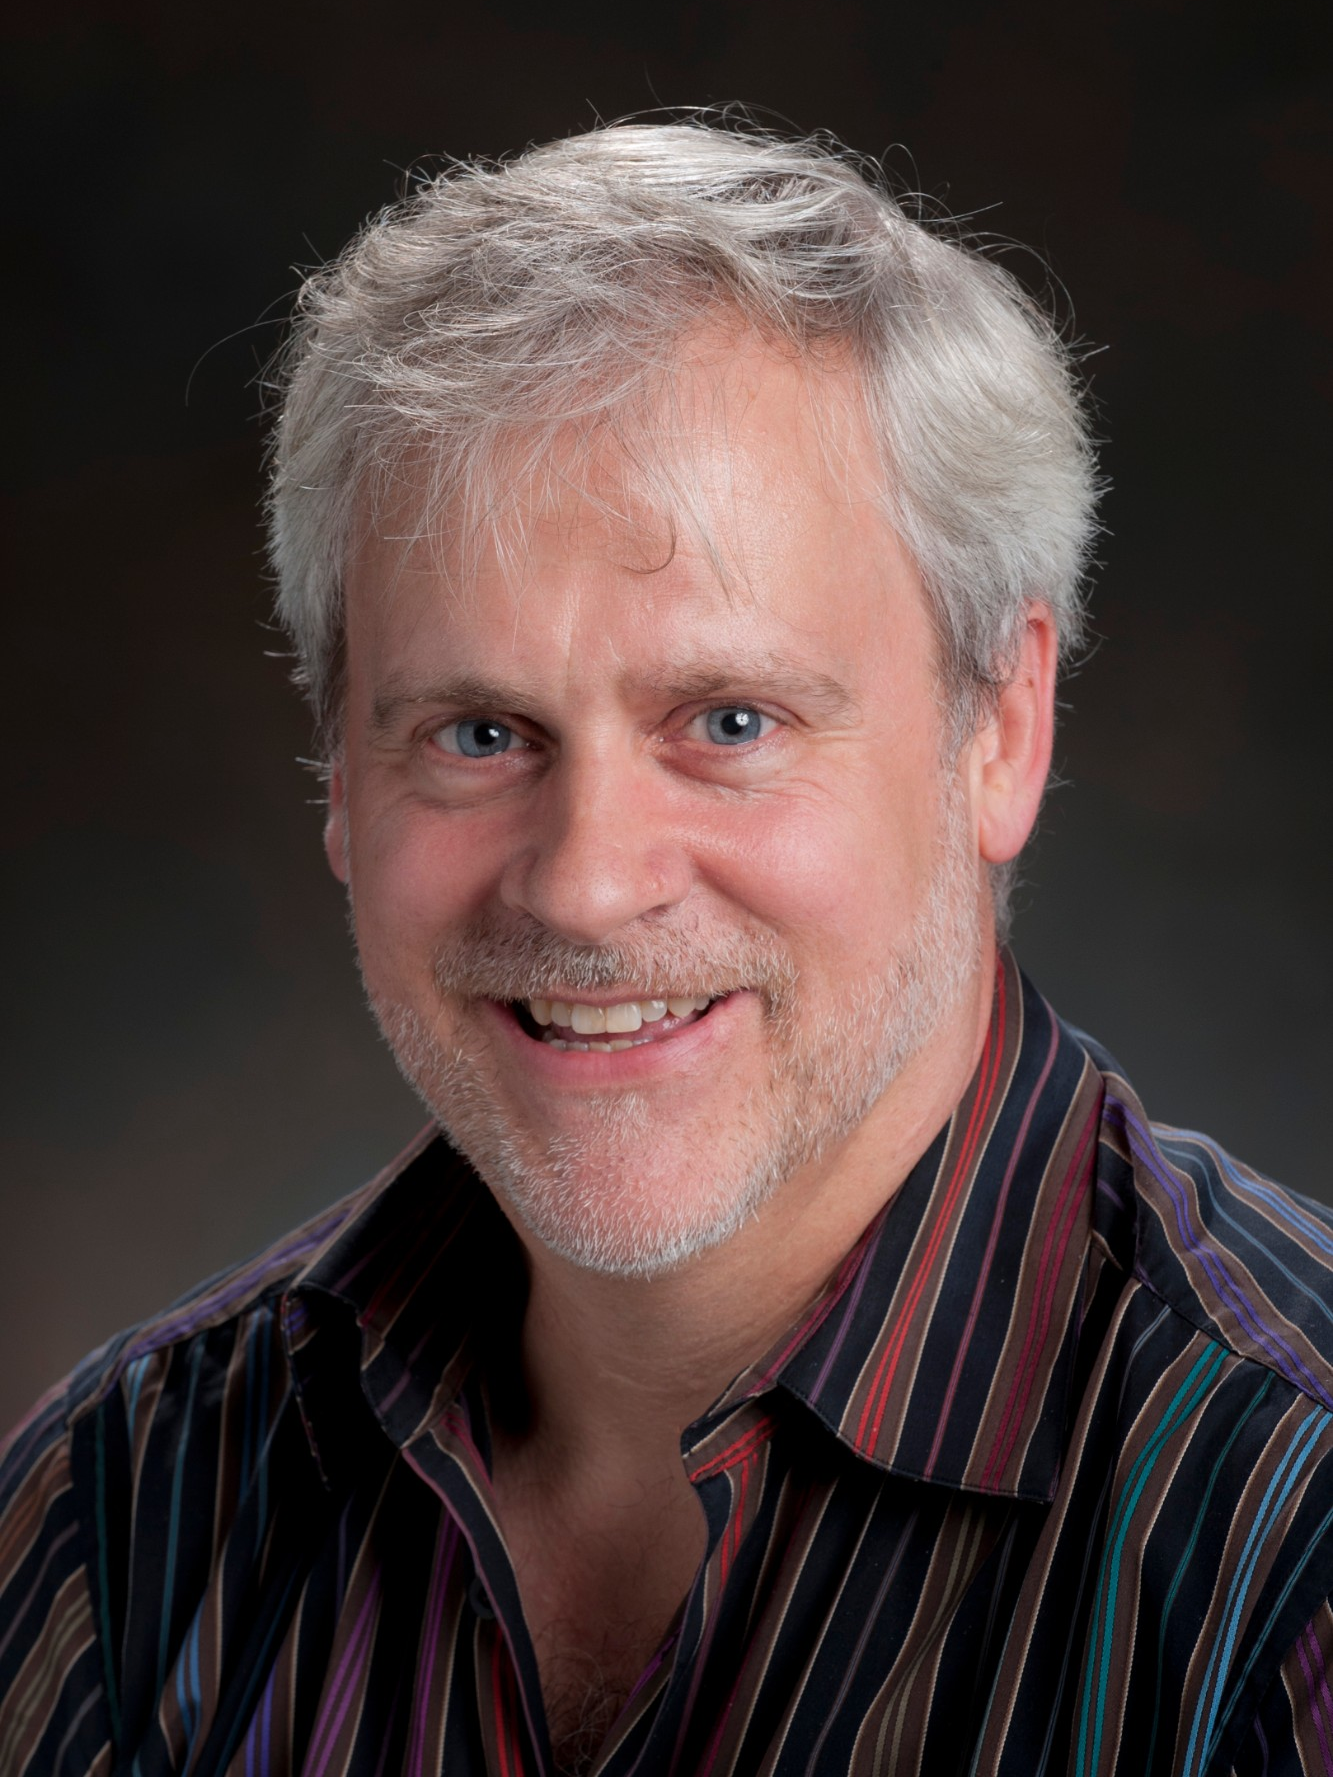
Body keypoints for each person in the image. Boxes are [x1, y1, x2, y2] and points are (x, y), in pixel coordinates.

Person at [2, 119, 1331, 1777]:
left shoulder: (1294, 1545)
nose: (583, 885)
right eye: (480, 733)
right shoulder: (118, 1519)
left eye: (729, 720)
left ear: (1000, 729)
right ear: (340, 779)